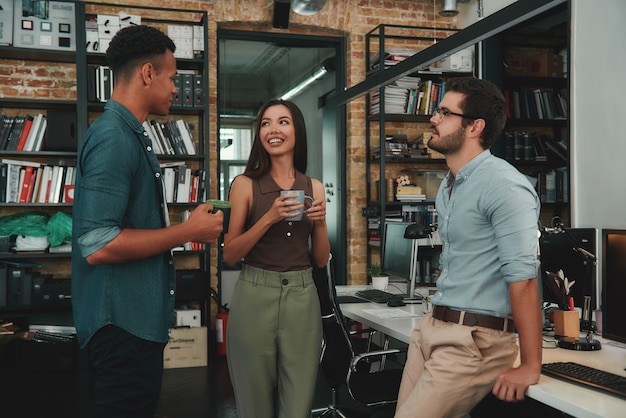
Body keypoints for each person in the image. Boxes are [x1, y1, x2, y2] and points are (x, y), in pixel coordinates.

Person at [71, 25, 223, 418]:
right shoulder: (113, 137)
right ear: (147, 73)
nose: (176, 88)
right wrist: (187, 232)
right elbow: (98, 244)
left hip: (132, 328)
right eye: (173, 77)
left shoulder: (130, 134)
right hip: (121, 330)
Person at [395, 77, 543, 418]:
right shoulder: (449, 187)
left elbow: (523, 279)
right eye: (437, 110)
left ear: (475, 126)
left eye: (445, 112)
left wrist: (531, 365)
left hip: (475, 342)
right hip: (433, 329)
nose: (433, 118)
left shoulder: (504, 186)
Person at [222, 99, 330, 418]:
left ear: (297, 130)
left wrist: (321, 222)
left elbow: (321, 260)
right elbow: (230, 254)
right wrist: (269, 218)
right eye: (266, 123)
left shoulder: (314, 187)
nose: (273, 130)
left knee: (298, 406)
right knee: (254, 405)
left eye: (283, 122)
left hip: (302, 297)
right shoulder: (244, 185)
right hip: (254, 295)